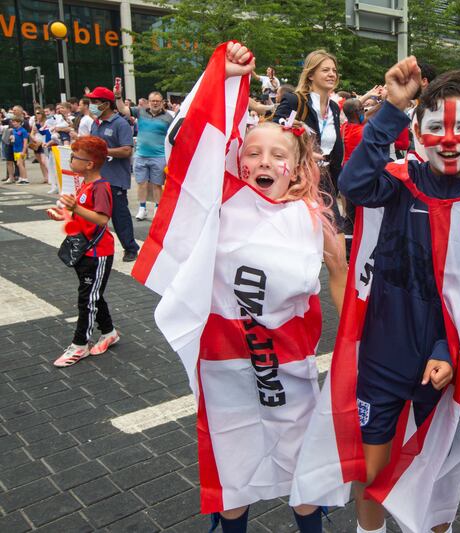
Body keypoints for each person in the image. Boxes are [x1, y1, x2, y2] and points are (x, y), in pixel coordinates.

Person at [134, 41, 345, 533]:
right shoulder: (219, 205)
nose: (264, 161)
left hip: (288, 367)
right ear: (238, 161)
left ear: (296, 166)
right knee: (232, 469)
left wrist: (358, 334)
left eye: (278, 154)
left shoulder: (312, 220)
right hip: (226, 365)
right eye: (253, 152)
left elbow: (341, 275)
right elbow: (190, 145)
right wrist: (224, 77)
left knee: (302, 471)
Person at [336, 60, 460, 533]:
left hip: (445, 367)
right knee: (368, 469)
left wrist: (447, 351)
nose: (449, 140)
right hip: (383, 354)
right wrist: (392, 107)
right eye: (436, 127)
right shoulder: (397, 180)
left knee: (436, 471)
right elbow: (353, 184)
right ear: (418, 130)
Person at [47, 136, 119, 367]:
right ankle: (108, 332)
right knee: (91, 296)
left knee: (87, 299)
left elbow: (102, 218)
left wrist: (74, 207)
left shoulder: (100, 187)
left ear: (89, 164)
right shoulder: (86, 185)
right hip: (87, 252)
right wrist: (65, 214)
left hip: (98, 253)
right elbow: (83, 218)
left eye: (75, 157)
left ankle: (80, 345)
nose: (70, 160)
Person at [274, 50, 349, 258]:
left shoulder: (333, 107)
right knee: (299, 256)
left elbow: (335, 150)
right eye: (325, 70)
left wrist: (338, 185)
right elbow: (273, 132)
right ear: (310, 75)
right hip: (298, 182)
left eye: (334, 70)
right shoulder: (294, 101)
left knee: (339, 259)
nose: (332, 74)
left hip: (325, 183)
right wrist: (299, 148)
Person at [87, 86, 139, 262]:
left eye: (95, 102)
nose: (91, 105)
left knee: (119, 216)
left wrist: (104, 151)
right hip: (97, 178)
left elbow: (127, 150)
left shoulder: (120, 123)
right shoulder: (96, 123)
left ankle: (130, 248)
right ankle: (95, 246)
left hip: (115, 179)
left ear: (106, 104)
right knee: (95, 214)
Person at [116, 90, 174, 221]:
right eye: (153, 101)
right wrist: (118, 96)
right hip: (141, 155)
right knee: (141, 183)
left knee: (156, 184)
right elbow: (122, 109)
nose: (155, 103)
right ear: (148, 102)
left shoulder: (168, 118)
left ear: (162, 102)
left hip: (159, 156)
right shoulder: (140, 111)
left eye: (158, 101)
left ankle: (158, 208)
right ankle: (142, 208)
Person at [10, 116, 30, 184]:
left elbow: (25, 142)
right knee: (21, 164)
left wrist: (24, 151)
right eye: (13, 122)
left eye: (15, 122)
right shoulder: (14, 130)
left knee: (19, 164)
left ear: (19, 123)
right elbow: (14, 140)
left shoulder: (23, 131)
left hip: (21, 150)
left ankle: (25, 178)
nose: (14, 123)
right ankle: (21, 177)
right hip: (15, 149)